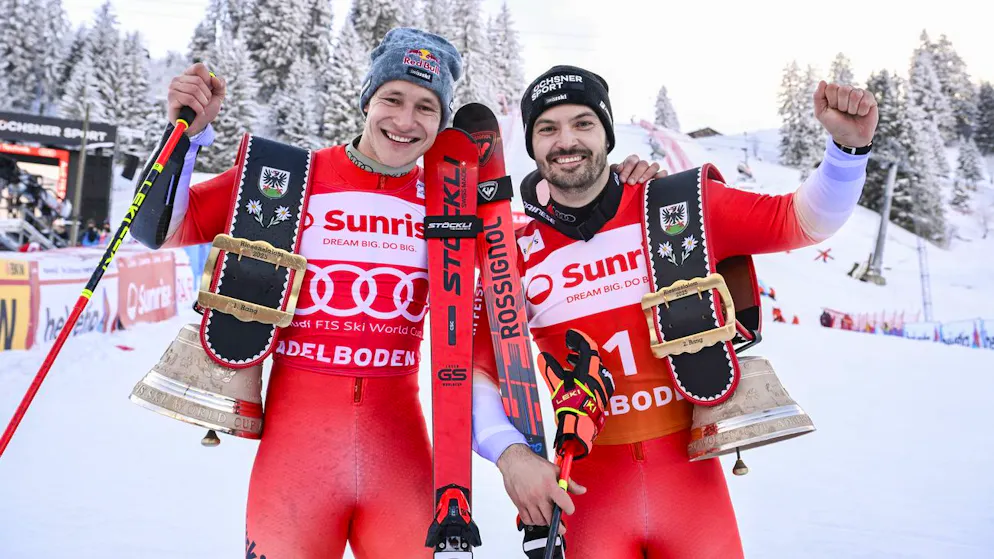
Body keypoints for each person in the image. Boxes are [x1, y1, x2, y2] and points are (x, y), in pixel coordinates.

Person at [134, 28, 663, 559]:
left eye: (427, 107)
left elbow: (526, 264)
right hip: (295, 464)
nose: (406, 121)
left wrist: (622, 190)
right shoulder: (293, 177)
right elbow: (161, 228)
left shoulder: (452, 207)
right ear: (367, 98)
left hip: (400, 459)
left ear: (442, 119)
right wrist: (186, 137)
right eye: (393, 99)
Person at [471, 64, 878, 557]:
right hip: (585, 492)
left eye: (583, 123)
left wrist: (846, 153)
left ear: (607, 133)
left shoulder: (677, 207)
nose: (566, 141)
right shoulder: (510, 253)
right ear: (533, 146)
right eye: (548, 128)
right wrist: (510, 456)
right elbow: (476, 371)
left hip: (689, 488)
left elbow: (799, 221)